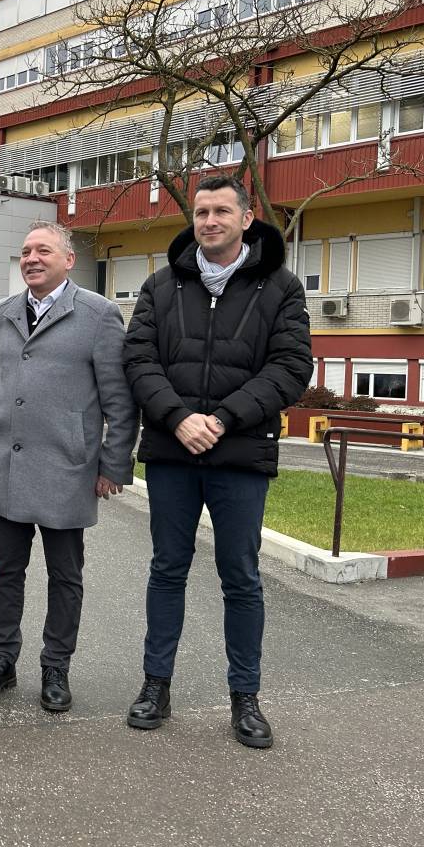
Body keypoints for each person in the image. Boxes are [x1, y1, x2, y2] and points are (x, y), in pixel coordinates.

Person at [122, 175, 312, 749]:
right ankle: (156, 686)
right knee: (167, 570)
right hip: (172, 453)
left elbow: (290, 368)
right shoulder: (160, 285)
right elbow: (138, 360)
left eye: (221, 211)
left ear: (246, 219)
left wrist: (223, 419)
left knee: (241, 578)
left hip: (240, 455)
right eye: (201, 212)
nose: (209, 221)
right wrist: (179, 418)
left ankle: (245, 697)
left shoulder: (282, 288)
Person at [0, 220, 138, 713]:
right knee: (5, 571)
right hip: (5, 464)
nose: (31, 259)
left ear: (69, 259)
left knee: (65, 575)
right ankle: (2, 659)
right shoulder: (1, 313)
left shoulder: (99, 314)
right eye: (25, 251)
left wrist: (113, 465)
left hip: (68, 467)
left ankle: (56, 666)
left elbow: (119, 399)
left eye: (43, 250)